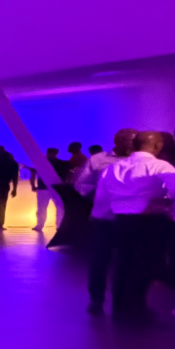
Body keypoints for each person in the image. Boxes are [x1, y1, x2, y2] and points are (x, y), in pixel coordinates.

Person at [92, 131, 175, 316]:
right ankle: (138, 307)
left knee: (124, 263)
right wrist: (164, 202)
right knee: (147, 264)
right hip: (151, 220)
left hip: (121, 220)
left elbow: (102, 198)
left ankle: (120, 307)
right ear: (158, 146)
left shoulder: (114, 168)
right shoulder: (160, 166)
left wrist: (101, 219)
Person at [74, 129, 136, 312]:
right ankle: (97, 299)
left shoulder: (140, 161)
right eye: (132, 140)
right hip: (104, 218)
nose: (135, 144)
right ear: (118, 141)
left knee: (129, 260)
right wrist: (101, 197)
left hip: (132, 219)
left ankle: (124, 300)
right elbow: (82, 184)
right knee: (99, 260)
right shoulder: (97, 160)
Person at [33, 148, 65, 233]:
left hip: (43, 187)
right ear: (56, 153)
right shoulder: (61, 163)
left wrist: (33, 185)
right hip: (56, 188)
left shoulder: (41, 163)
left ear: (47, 153)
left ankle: (39, 225)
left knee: (41, 207)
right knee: (59, 208)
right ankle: (59, 225)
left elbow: (34, 173)